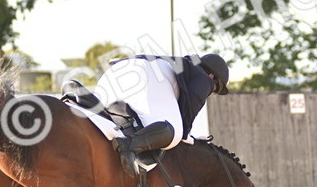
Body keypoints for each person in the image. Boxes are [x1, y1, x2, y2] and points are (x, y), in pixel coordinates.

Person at [93, 53, 229, 173]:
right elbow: (193, 101)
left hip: (114, 74)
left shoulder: (183, 67)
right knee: (174, 132)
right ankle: (129, 145)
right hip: (142, 73)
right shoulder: (204, 78)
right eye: (215, 88)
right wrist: (184, 134)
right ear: (212, 76)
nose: (211, 92)